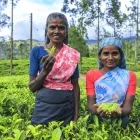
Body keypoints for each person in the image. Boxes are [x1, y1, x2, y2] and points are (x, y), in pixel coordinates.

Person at [29, 12, 80, 126]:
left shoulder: (72, 54)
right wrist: (45, 71)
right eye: (52, 27)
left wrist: (76, 116)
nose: (56, 31)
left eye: (61, 28)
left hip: (67, 108)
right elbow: (32, 87)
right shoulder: (37, 52)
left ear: (66, 32)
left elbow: (75, 86)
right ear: (47, 30)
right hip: (43, 108)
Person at [86, 37, 137, 128]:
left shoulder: (129, 76)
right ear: (100, 56)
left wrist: (118, 112)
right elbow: (91, 104)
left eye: (114, 53)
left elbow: (128, 107)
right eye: (106, 53)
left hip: (121, 120)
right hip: (97, 120)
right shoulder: (91, 75)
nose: (110, 58)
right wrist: (98, 111)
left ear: (120, 55)